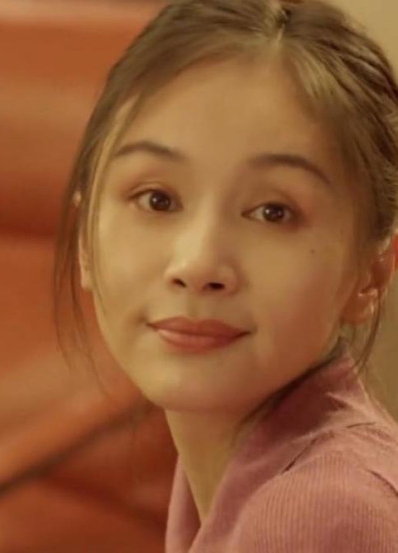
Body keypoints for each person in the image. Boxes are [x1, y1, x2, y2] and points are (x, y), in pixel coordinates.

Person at [53, 0, 398, 551]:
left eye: (273, 212)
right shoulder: (235, 468)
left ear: (371, 273)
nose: (197, 265)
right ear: (84, 242)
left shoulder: (316, 514)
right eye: (157, 199)